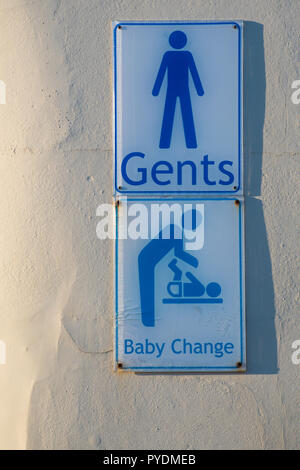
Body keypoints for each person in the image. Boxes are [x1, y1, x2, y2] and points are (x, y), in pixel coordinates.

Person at [152, 30, 204, 149]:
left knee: (181, 114)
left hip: (179, 89)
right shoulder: (171, 55)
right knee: (173, 114)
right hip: (177, 90)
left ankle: (188, 144)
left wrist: (199, 89)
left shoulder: (184, 55)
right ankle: (167, 144)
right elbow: (161, 72)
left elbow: (194, 72)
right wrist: (156, 89)